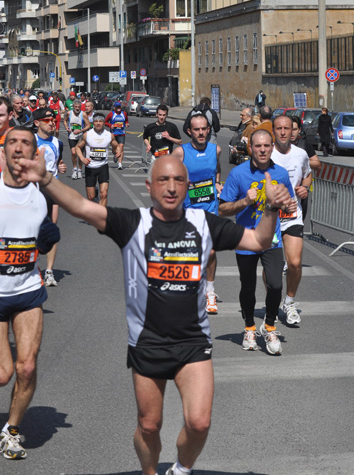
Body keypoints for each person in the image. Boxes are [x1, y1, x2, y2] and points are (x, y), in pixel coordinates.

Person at [13, 151, 290, 474]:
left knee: (199, 422)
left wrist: (270, 207)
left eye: (178, 181)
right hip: (148, 343)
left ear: (188, 187)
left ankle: (182, 468)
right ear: (149, 186)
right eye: (163, 180)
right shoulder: (132, 224)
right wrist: (46, 178)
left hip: (193, 341)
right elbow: (81, 206)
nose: (171, 187)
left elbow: (259, 240)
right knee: (149, 425)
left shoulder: (204, 224)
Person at [0, 127, 60, 460]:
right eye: (13, 142)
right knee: (3, 373)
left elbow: (44, 237)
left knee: (26, 368)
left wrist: (46, 238)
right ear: (4, 150)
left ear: (35, 152)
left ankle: (11, 431)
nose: (19, 148)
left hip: (27, 290)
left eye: (26, 143)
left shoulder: (41, 194)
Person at [220, 129, 295, 353]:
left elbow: (287, 204)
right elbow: (222, 209)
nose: (262, 150)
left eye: (266, 146)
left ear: (272, 147)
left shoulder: (280, 173)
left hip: (272, 238)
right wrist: (244, 201)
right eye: (258, 146)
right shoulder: (238, 174)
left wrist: (287, 206)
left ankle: (270, 326)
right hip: (246, 238)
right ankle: (249, 327)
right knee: (248, 287)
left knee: (275, 284)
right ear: (250, 148)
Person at [173, 114, 222, 314]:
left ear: (208, 129)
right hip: (187, 211)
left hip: (210, 208)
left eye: (204, 129)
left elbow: (216, 169)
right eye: (196, 129)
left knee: (210, 252)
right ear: (189, 131)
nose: (201, 133)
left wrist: (217, 182)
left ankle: (210, 291)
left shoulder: (215, 150)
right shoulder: (180, 152)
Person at [271, 115, 312, 325]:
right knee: (273, 268)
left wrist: (305, 187)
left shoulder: (301, 154)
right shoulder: (265, 154)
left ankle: (289, 302)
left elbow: (308, 174)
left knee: (294, 262)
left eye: (287, 128)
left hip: (292, 216)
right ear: (274, 131)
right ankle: (272, 304)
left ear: (293, 131)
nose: (284, 132)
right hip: (269, 218)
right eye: (279, 128)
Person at [33, 108, 67, 287]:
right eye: (47, 120)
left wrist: (61, 167)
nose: (52, 123)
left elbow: (58, 161)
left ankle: (49, 271)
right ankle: (32, 268)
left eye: (52, 120)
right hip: (34, 189)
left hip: (52, 188)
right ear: (37, 123)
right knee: (33, 230)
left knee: (52, 229)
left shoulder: (57, 142)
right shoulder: (30, 141)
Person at [75, 112, 120, 206]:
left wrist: (117, 152)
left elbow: (116, 145)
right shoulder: (87, 135)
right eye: (96, 121)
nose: (98, 123)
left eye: (100, 121)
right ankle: (94, 195)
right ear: (93, 123)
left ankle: (101, 217)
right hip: (90, 168)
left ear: (104, 123)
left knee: (104, 194)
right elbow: (78, 147)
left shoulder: (109, 135)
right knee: (91, 197)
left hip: (103, 167)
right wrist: (82, 159)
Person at [63, 99, 91, 180]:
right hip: (71, 136)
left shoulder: (84, 114)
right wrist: (66, 127)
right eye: (76, 107)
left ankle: (79, 169)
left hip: (80, 136)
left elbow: (88, 125)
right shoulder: (69, 113)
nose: (77, 108)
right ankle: (74, 169)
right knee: (73, 152)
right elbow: (64, 121)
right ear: (73, 107)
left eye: (79, 107)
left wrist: (81, 130)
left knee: (80, 154)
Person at [104, 101, 129, 170]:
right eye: (117, 107)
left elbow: (126, 120)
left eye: (119, 107)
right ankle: (115, 155)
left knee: (121, 147)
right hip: (113, 134)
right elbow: (105, 122)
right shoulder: (111, 114)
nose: (119, 108)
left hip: (121, 133)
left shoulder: (124, 113)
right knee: (114, 149)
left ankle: (120, 164)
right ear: (115, 107)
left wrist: (127, 124)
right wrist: (110, 125)